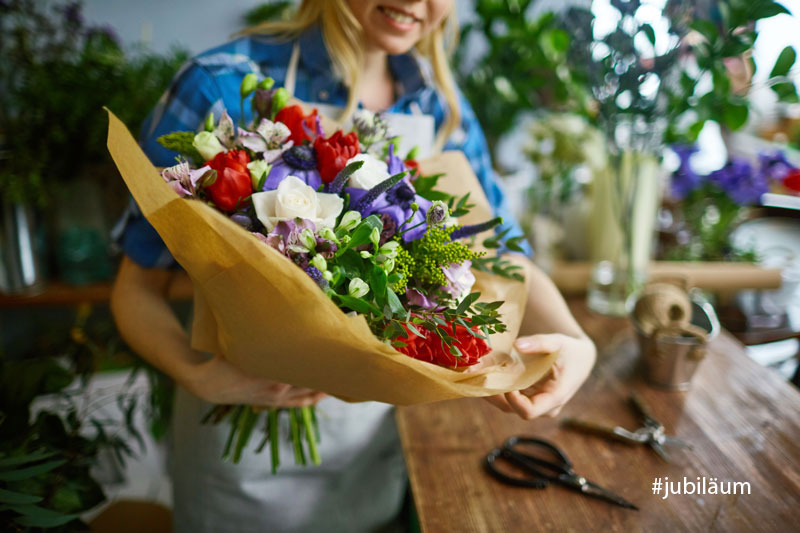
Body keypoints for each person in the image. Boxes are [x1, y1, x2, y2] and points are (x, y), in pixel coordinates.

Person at [110, 1, 597, 531]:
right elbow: (137, 289)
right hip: (240, 446)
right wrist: (196, 374)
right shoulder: (223, 86)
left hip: (373, 447)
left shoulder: (437, 109)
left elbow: (500, 255)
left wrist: (576, 341)